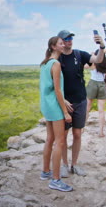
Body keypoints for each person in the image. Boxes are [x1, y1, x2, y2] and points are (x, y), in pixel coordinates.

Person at [57, 30, 106, 177]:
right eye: (66, 38)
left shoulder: (79, 54)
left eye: (71, 37)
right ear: (60, 41)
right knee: (64, 135)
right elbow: (54, 83)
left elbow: (97, 60)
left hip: (80, 99)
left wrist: (102, 46)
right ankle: (64, 164)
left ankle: (75, 164)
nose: (69, 40)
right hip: (65, 102)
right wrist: (63, 100)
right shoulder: (58, 58)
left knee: (77, 133)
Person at [39, 36, 73, 192]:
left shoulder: (44, 64)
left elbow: (48, 89)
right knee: (59, 142)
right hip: (55, 106)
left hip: (46, 105)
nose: (64, 44)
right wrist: (65, 112)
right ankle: (56, 179)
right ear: (53, 46)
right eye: (60, 43)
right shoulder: (56, 64)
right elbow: (58, 90)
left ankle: (46, 171)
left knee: (50, 139)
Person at [85, 49, 106, 137]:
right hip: (102, 84)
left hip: (93, 83)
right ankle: (101, 132)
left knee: (87, 108)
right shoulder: (105, 64)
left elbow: (85, 66)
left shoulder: (94, 63)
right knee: (101, 111)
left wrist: (90, 55)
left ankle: (82, 128)